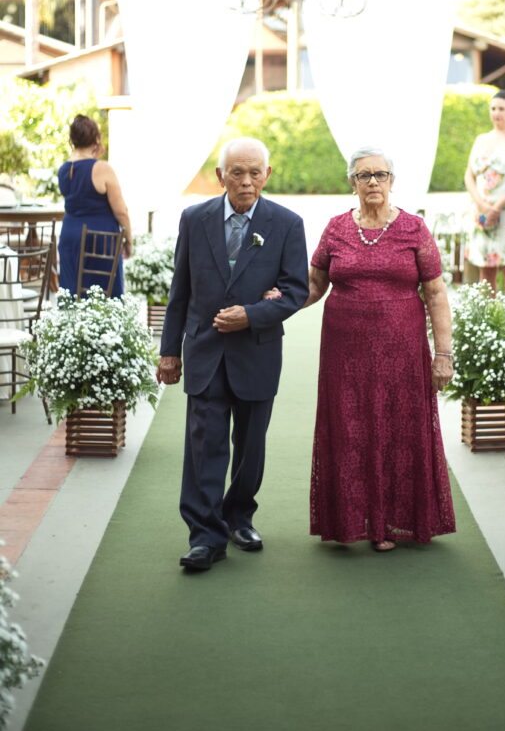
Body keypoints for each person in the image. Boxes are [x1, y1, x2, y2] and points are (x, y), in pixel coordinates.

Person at [157, 137, 308, 572]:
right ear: (221, 176)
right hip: (204, 351)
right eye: (237, 173)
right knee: (203, 448)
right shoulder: (194, 219)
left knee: (250, 447)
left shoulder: (287, 224)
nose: (246, 181)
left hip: (257, 352)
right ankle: (205, 537)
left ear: (267, 175)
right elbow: (180, 291)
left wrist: (252, 315)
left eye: (254, 173)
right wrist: (169, 351)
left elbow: (295, 290)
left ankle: (239, 517)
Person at [305, 147, 456, 552]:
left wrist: (443, 355)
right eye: (364, 175)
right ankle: (350, 520)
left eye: (381, 174)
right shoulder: (336, 229)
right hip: (344, 356)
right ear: (352, 183)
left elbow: (436, 293)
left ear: (392, 181)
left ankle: (391, 522)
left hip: (402, 354)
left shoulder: (414, 229)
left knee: (399, 430)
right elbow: (315, 284)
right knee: (348, 430)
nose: (373, 181)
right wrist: (276, 302)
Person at [57, 114, 133, 296]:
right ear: (96, 139)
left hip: (69, 238)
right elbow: (121, 211)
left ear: (72, 140)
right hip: (99, 240)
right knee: (104, 297)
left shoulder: (64, 169)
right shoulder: (102, 168)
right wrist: (129, 239)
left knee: (72, 295)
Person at [464, 89, 505, 290]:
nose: (496, 113)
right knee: (485, 273)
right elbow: (468, 175)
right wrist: (481, 205)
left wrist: (496, 208)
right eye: (493, 109)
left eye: (501, 109)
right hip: (481, 211)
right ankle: (487, 310)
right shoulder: (481, 139)